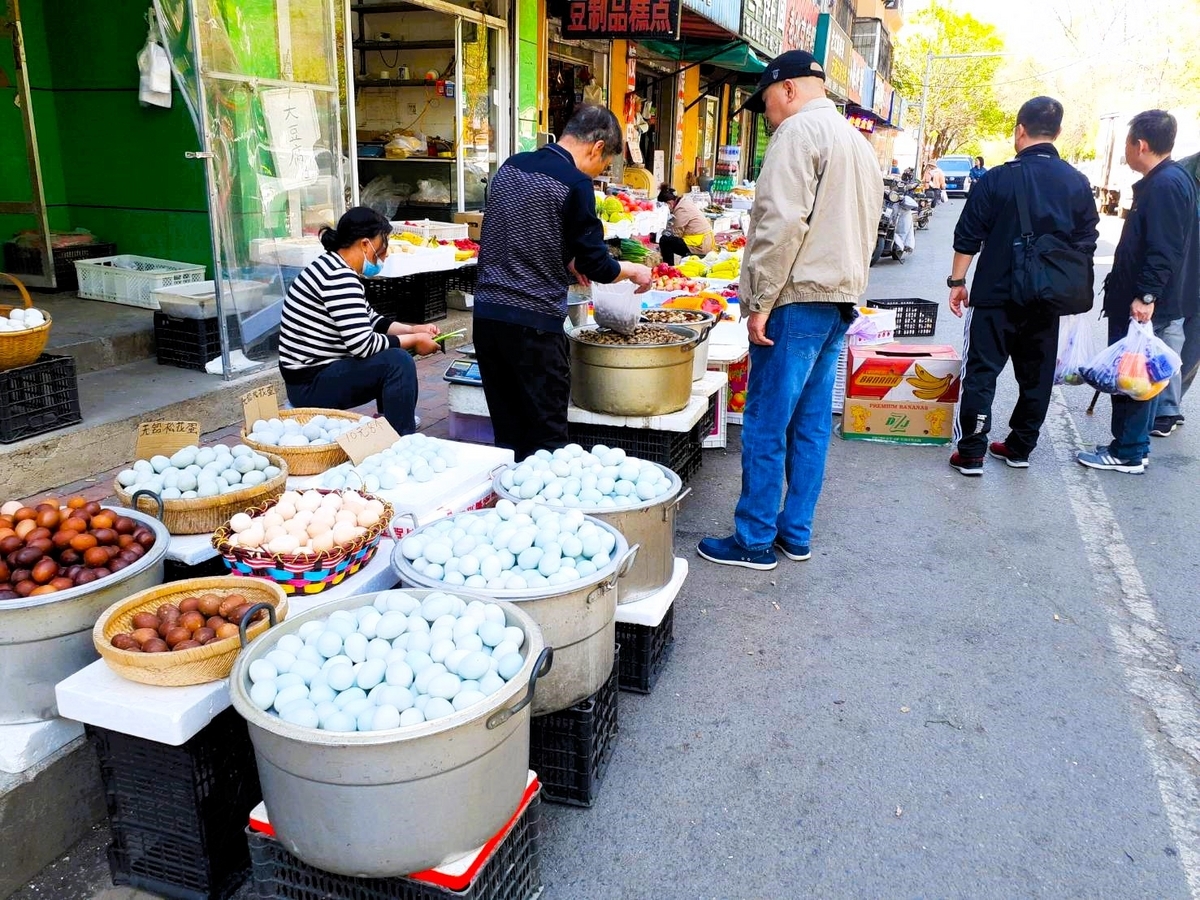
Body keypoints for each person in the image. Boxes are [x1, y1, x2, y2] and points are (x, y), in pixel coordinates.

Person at [696, 50, 881, 570]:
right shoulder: (856, 142)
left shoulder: (798, 134)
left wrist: (758, 302)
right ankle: (794, 532)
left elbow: (779, 225)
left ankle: (754, 540)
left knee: (764, 422)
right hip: (837, 299)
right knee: (810, 423)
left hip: (796, 299)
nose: (768, 113)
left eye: (769, 101)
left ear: (790, 91)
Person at [472, 105, 653, 461]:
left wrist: (568, 259)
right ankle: (543, 510)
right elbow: (597, 264)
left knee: (508, 431)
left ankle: (511, 499)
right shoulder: (575, 183)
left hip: (489, 319)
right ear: (596, 147)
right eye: (603, 164)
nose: (599, 172)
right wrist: (632, 269)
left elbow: (522, 233)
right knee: (547, 436)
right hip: (534, 327)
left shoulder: (512, 166)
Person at [946, 97, 1099, 475]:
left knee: (981, 372)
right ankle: (1019, 448)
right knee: (1037, 376)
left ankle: (971, 452)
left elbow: (967, 236)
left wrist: (957, 282)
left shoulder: (998, 177)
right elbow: (1087, 240)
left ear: (1019, 131)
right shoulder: (1077, 182)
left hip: (996, 296)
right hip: (1048, 300)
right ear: (1058, 133)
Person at [1078, 110, 1199, 473]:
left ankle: (1128, 451)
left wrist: (1145, 296)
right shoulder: (1170, 180)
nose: (1126, 152)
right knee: (1141, 378)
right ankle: (1134, 446)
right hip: (1150, 299)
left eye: (1128, 144)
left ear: (1140, 145)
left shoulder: (1165, 185)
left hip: (1146, 303)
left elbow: (1164, 250)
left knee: (1133, 378)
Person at [278, 207, 439, 435]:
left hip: (307, 378)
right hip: (310, 386)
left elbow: (371, 319)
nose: (385, 255)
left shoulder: (332, 266)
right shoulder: (339, 277)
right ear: (365, 244)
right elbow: (362, 346)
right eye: (382, 246)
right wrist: (414, 340)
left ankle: (391, 418)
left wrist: (413, 329)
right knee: (398, 362)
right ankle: (402, 438)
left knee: (394, 351)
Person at [1150, 148, 1200, 437]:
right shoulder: (1182, 173)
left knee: (1193, 347)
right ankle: (1165, 408)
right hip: (1185, 272)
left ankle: (1173, 401)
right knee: (1172, 336)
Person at [657, 185, 714, 264]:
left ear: (669, 203)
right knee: (669, 240)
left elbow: (676, 233)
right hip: (705, 239)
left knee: (665, 241)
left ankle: (668, 267)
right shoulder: (684, 202)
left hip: (700, 244)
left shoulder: (681, 209)